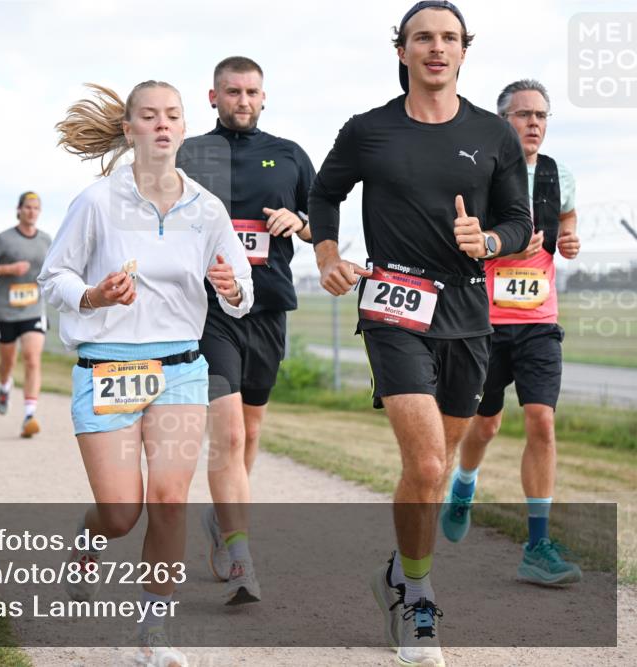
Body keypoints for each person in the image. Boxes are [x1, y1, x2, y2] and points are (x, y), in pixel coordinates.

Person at [308, 3, 532, 664]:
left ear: (464, 50)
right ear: (401, 50)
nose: (437, 48)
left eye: (449, 38)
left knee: (433, 472)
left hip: (466, 310)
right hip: (394, 304)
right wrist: (326, 255)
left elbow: (519, 222)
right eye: (423, 38)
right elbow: (324, 193)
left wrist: (488, 240)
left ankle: (397, 573)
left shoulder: (494, 134)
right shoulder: (368, 130)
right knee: (429, 462)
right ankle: (418, 596)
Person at [39, 80, 253, 667]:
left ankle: (153, 634)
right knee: (120, 512)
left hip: (180, 369)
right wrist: (93, 295)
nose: (162, 124)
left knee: (168, 500)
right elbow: (53, 278)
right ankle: (90, 538)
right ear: (129, 128)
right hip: (106, 367)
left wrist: (232, 288)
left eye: (172, 116)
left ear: (184, 128)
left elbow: (241, 289)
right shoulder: (96, 202)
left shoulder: (206, 208)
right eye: (150, 116)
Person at [176, 56, 315, 603]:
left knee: (250, 434)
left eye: (251, 92)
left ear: (264, 96)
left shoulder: (290, 155)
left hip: (268, 307)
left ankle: (221, 520)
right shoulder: (189, 155)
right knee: (229, 435)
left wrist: (299, 222)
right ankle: (240, 557)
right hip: (209, 311)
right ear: (213, 97)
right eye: (232, 92)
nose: (243, 100)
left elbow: (320, 225)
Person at [441, 79, 582, 585]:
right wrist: (505, 244)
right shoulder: (480, 171)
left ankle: (537, 544)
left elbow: (566, 219)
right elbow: (459, 239)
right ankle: (464, 484)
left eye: (541, 115)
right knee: (484, 427)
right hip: (483, 322)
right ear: (503, 121)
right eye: (523, 115)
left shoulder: (559, 174)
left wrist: (569, 238)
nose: (534, 123)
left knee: (541, 421)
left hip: (539, 322)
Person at [0, 192, 52, 438]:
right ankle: (5, 384)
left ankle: (29, 415)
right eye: (28, 207)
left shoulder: (46, 240)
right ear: (19, 210)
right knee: (7, 362)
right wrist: (9, 268)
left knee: (32, 358)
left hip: (33, 309)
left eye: (36, 208)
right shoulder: (4, 239)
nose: (32, 212)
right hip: (5, 312)